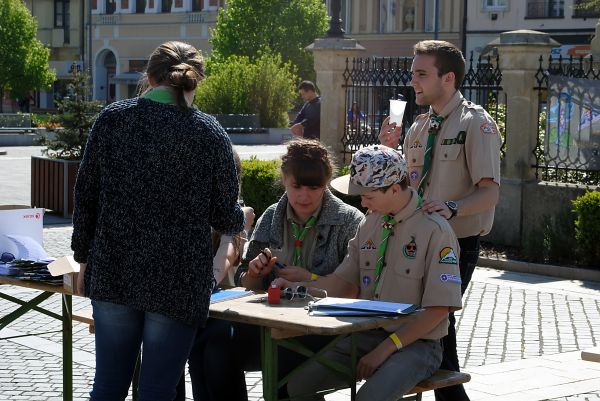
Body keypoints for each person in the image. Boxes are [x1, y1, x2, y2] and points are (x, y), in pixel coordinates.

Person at [71, 41, 244, 401]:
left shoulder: (112, 119)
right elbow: (223, 215)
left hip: (114, 269)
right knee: (157, 389)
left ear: (149, 78)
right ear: (197, 82)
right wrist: (238, 217)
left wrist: (83, 258)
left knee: (107, 385)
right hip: (178, 278)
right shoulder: (209, 133)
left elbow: (86, 197)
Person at [270, 145, 462, 401]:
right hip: (367, 335)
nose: (362, 202)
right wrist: (295, 290)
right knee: (297, 388)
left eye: (368, 196)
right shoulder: (369, 223)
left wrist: (385, 349)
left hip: (416, 344)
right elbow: (343, 284)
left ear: (394, 189)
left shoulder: (435, 230)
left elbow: (439, 309)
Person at [185, 138, 363, 401]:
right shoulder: (271, 216)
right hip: (273, 325)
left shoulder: (350, 221)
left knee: (278, 369)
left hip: (325, 332)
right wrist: (254, 274)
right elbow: (247, 283)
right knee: (210, 345)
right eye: (297, 186)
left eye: (314, 187)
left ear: (327, 184)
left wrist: (310, 280)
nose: (304, 195)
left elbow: (356, 291)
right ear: (284, 179)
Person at [379, 40, 501, 401]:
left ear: (448, 78)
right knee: (429, 328)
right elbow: (403, 188)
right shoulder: (418, 127)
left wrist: (451, 207)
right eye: (413, 73)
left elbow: (490, 192)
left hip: (455, 244)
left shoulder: (476, 124)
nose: (412, 81)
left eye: (421, 74)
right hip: (416, 242)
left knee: (432, 322)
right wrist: (388, 148)